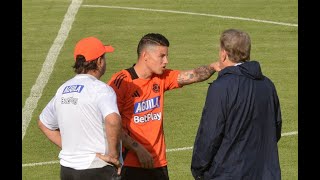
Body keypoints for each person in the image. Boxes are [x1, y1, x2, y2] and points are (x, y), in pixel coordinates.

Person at [107, 33, 220, 180]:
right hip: (130, 164)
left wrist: (213, 66)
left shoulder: (161, 78)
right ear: (145, 55)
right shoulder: (121, 82)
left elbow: (193, 75)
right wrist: (138, 149)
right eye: (162, 56)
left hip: (158, 163)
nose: (166, 61)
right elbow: (111, 125)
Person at [191, 29, 282, 180]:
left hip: (228, 173)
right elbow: (275, 127)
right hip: (265, 172)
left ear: (223, 54)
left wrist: (198, 168)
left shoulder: (220, 88)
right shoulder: (268, 85)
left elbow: (210, 133)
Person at [38, 36, 123, 180]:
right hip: (97, 169)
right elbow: (113, 120)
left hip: (68, 170)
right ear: (99, 61)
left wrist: (75, 151)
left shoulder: (63, 89)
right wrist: (113, 156)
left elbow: (44, 124)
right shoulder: (101, 89)